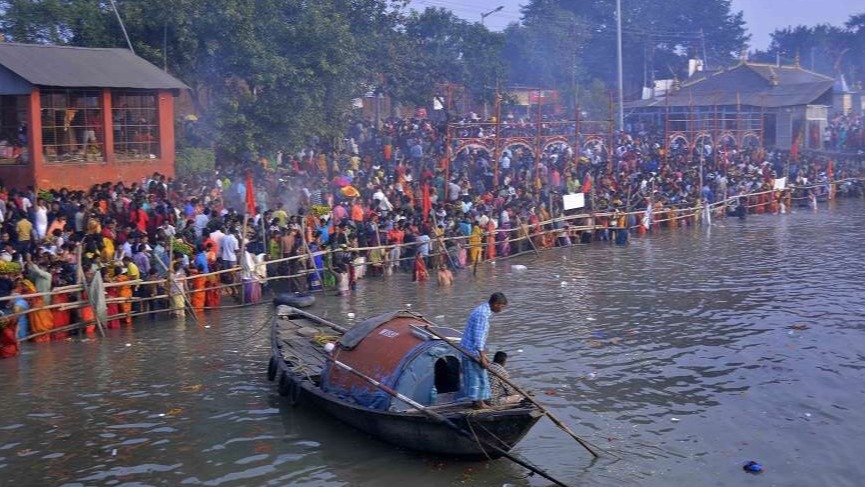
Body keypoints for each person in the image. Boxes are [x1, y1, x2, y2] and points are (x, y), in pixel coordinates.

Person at [460, 292, 508, 409]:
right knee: (478, 376)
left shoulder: (482, 310)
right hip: (472, 350)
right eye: (501, 306)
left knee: (474, 376)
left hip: (469, 348)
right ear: (496, 304)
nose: (501, 309)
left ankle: (476, 402)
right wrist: (482, 356)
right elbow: (479, 337)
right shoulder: (482, 315)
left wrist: (484, 355)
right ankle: (479, 403)